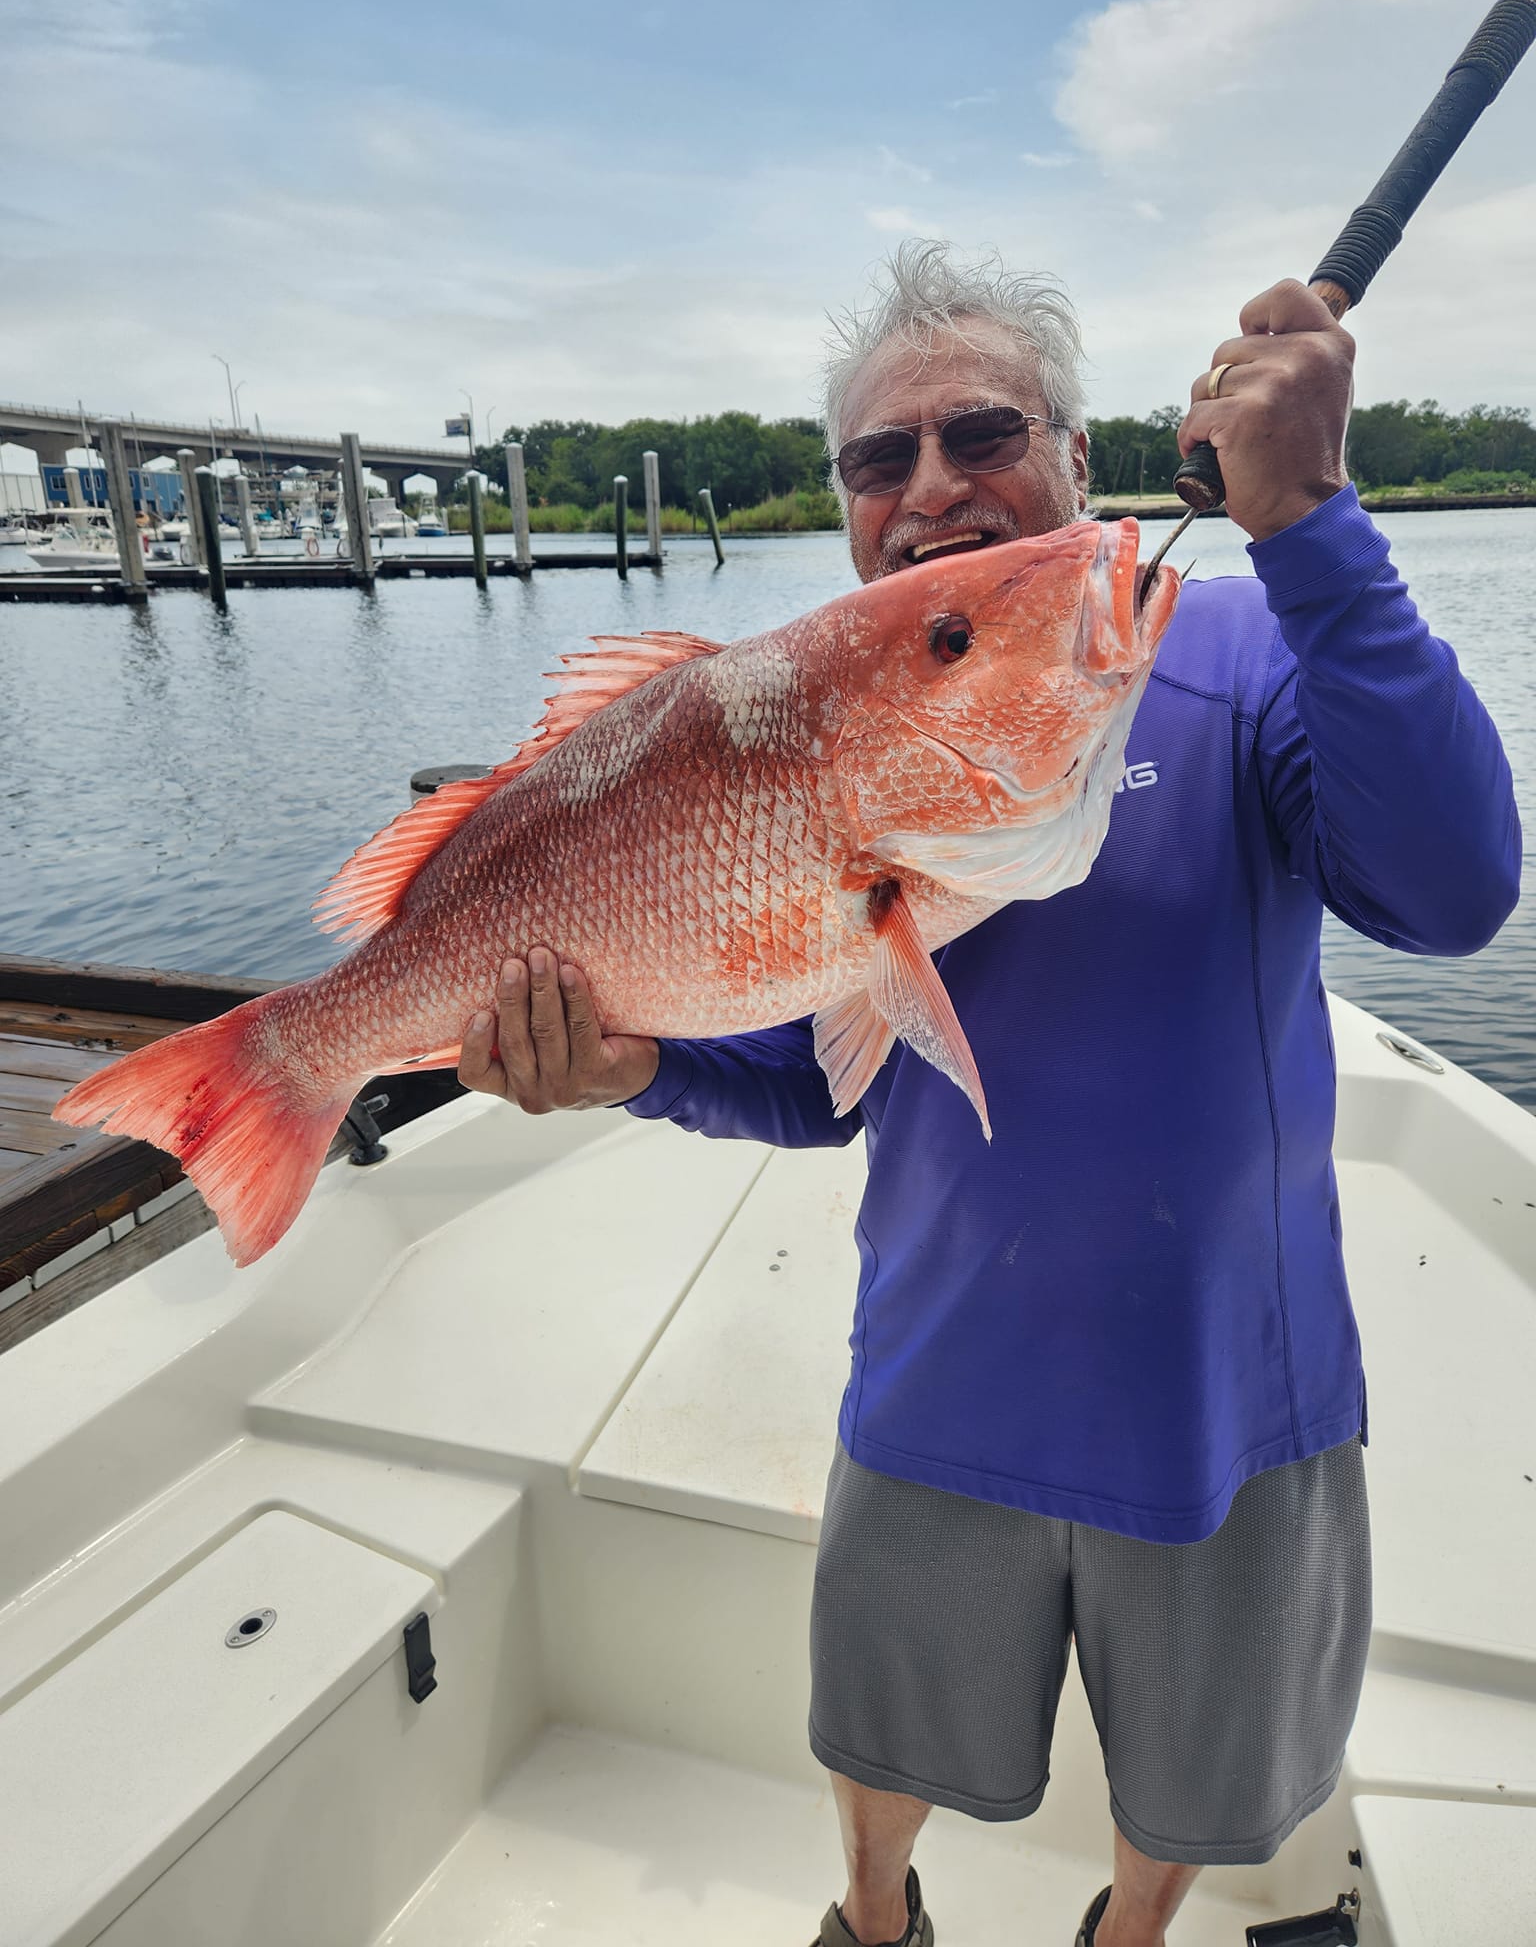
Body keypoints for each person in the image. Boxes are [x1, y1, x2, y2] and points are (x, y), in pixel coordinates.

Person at [456, 242, 1520, 1947]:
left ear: (1079, 460)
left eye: (983, 434)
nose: (933, 487)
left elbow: (1455, 892)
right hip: (944, 1366)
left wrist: (1315, 524)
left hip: (1227, 1389)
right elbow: (814, 1078)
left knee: (1199, 1773)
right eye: (882, 458)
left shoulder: (1242, 647)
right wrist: (631, 1064)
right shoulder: (810, 714)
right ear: (847, 506)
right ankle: (878, 1920)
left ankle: (1131, 1933)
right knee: (882, 1733)